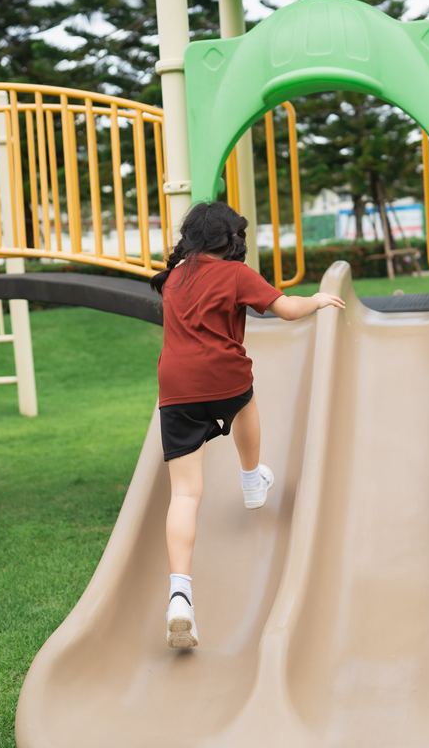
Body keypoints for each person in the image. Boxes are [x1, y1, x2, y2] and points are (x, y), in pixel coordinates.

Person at [150, 201, 345, 649]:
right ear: (230, 240)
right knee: (245, 403)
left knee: (184, 494)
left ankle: (180, 595)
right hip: (224, 376)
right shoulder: (236, 275)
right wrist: (315, 300)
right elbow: (287, 309)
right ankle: (252, 478)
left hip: (176, 386)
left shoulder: (173, 278)